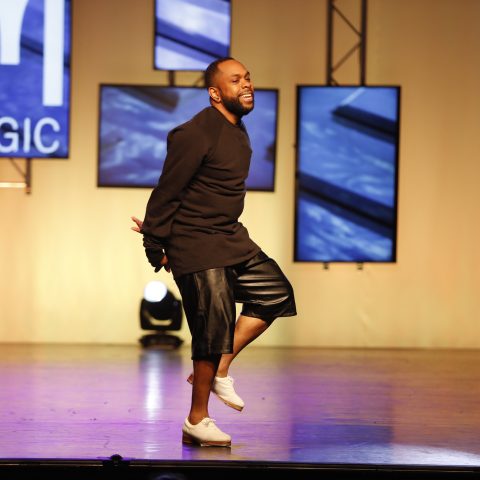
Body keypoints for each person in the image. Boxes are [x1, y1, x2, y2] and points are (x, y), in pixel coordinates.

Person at [131, 57, 296, 447]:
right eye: (235, 80)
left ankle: (220, 369)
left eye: (248, 78)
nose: (246, 84)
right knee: (212, 328)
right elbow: (167, 191)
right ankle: (197, 420)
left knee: (276, 293)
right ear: (215, 93)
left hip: (229, 237)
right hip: (196, 242)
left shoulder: (237, 131)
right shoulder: (195, 133)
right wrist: (156, 246)